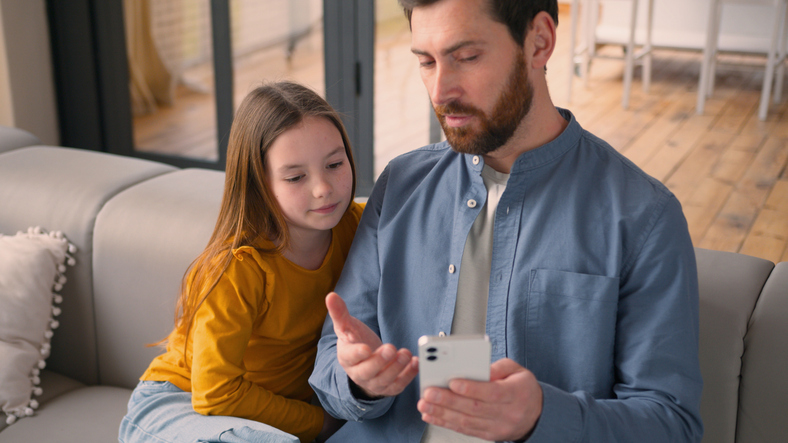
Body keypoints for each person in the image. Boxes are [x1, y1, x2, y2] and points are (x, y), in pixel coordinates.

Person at [308, 0, 704, 441]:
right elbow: (330, 363)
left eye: (467, 57)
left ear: (539, 42)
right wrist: (360, 381)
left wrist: (541, 416)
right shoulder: (400, 184)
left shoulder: (643, 216)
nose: (440, 92)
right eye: (426, 61)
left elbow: (672, 423)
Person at [119, 81, 361, 443]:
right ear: (258, 184)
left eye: (335, 163)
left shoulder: (357, 225)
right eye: (296, 177)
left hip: (267, 412)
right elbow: (216, 392)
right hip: (182, 404)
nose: (323, 188)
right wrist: (320, 424)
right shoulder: (237, 267)